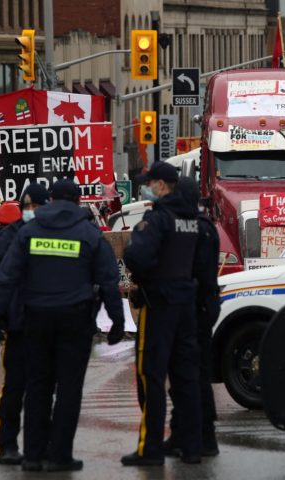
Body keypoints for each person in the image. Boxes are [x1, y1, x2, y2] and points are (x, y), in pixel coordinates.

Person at [0, 179, 125, 472]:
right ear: (77, 202)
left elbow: (7, 277)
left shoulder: (29, 232)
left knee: (38, 386)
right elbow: (109, 280)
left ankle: (33, 455)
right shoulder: (88, 233)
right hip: (75, 321)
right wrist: (118, 320)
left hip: (35, 320)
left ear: (50, 200)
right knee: (68, 389)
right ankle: (59, 455)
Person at [122, 162, 202, 466]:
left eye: (149, 183)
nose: (147, 188)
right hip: (186, 304)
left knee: (152, 376)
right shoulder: (192, 219)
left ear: (161, 185)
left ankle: (150, 449)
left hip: (160, 304)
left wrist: (145, 276)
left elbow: (136, 255)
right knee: (186, 378)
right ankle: (192, 447)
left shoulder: (158, 218)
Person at [0, 184, 49, 466]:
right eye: (28, 205)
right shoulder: (7, 240)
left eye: (37, 205)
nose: (32, 211)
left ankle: (39, 446)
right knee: (15, 389)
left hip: (46, 326)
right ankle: (7, 444)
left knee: (43, 390)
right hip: (18, 327)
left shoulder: (54, 234)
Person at [163, 176, 221, 457]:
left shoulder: (194, 228)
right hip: (202, 307)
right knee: (188, 376)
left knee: (192, 377)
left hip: (192, 309)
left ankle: (204, 437)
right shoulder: (205, 227)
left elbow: (196, 271)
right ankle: (182, 433)